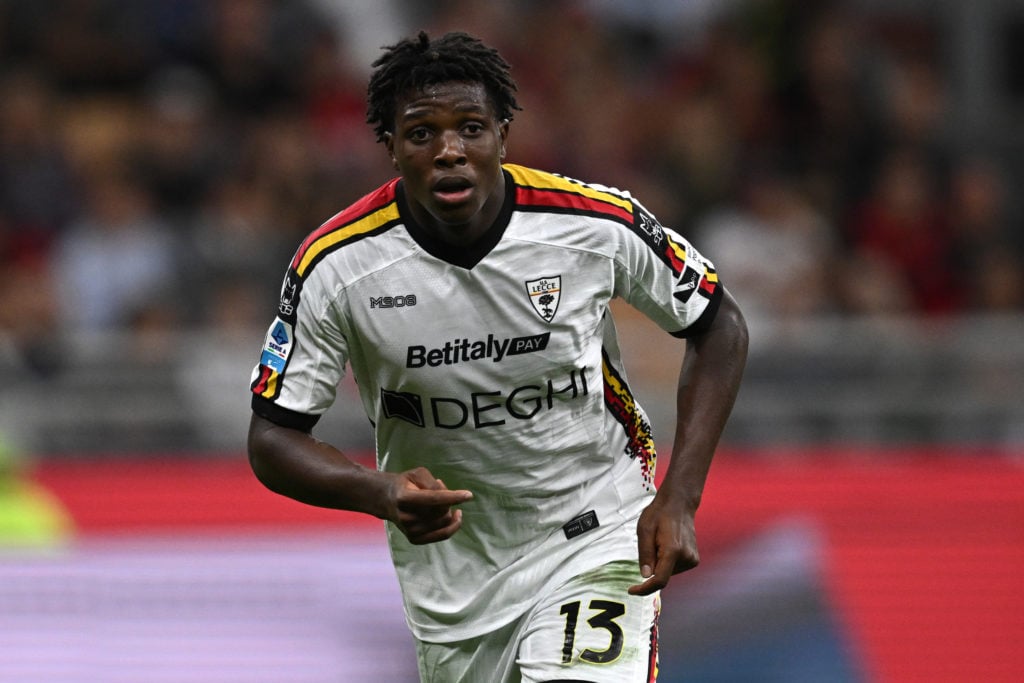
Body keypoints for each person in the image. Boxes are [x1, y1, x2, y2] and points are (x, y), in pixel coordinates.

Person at [247, 31, 748, 682]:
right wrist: (377, 489)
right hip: (454, 575)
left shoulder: (591, 224)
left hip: (592, 525)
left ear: (503, 135)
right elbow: (272, 436)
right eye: (423, 132)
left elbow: (719, 324)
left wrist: (679, 496)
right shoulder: (337, 267)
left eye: (472, 128)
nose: (450, 150)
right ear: (392, 146)